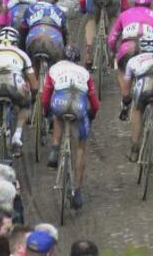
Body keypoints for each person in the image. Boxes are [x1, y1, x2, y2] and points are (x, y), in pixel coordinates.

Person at [42, 45, 100, 210]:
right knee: (81, 147)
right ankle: (77, 191)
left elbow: (46, 98)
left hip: (60, 102)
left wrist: (47, 113)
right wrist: (92, 115)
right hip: (78, 105)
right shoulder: (84, 73)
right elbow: (94, 103)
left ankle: (54, 149)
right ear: (77, 59)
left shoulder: (54, 69)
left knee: (57, 115)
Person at [120, 30, 153, 172]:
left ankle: (134, 148)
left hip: (142, 88)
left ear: (141, 47)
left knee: (137, 110)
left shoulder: (133, 61)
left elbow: (126, 88)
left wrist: (126, 103)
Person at [0, 26, 38, 155]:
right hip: (14, 84)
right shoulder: (21, 54)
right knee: (25, 104)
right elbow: (34, 86)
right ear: (16, 42)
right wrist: (31, 99)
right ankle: (17, 137)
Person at [108, 0, 153, 93]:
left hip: (127, 48)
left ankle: (125, 97)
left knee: (119, 67)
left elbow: (112, 39)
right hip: (148, 50)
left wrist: (114, 52)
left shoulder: (124, 15)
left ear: (135, 2)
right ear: (150, 3)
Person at [22, 0, 68, 65]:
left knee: (30, 65)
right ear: (55, 0)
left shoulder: (30, 8)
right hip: (55, 39)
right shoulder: (60, 11)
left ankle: (21, 54)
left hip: (33, 37)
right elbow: (65, 32)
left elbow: (23, 28)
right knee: (57, 65)